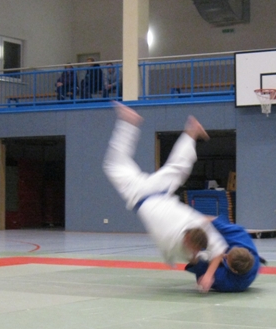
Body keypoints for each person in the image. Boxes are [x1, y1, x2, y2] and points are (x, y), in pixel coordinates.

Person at [103, 103, 256, 293]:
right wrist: (200, 268)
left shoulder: (201, 227)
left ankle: (190, 132)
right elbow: (178, 252)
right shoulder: (174, 239)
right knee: (115, 166)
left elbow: (218, 249)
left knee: (178, 167)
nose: (194, 251)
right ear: (189, 240)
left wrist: (207, 272)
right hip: (142, 195)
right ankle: (129, 123)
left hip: (161, 191)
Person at [184, 216, 261, 292]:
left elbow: (198, 265)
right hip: (227, 241)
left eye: (226, 259)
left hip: (210, 259)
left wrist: (208, 274)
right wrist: (192, 222)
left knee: (198, 253)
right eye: (228, 253)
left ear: (234, 271)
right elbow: (213, 220)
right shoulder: (239, 237)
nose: (225, 255)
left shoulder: (229, 282)